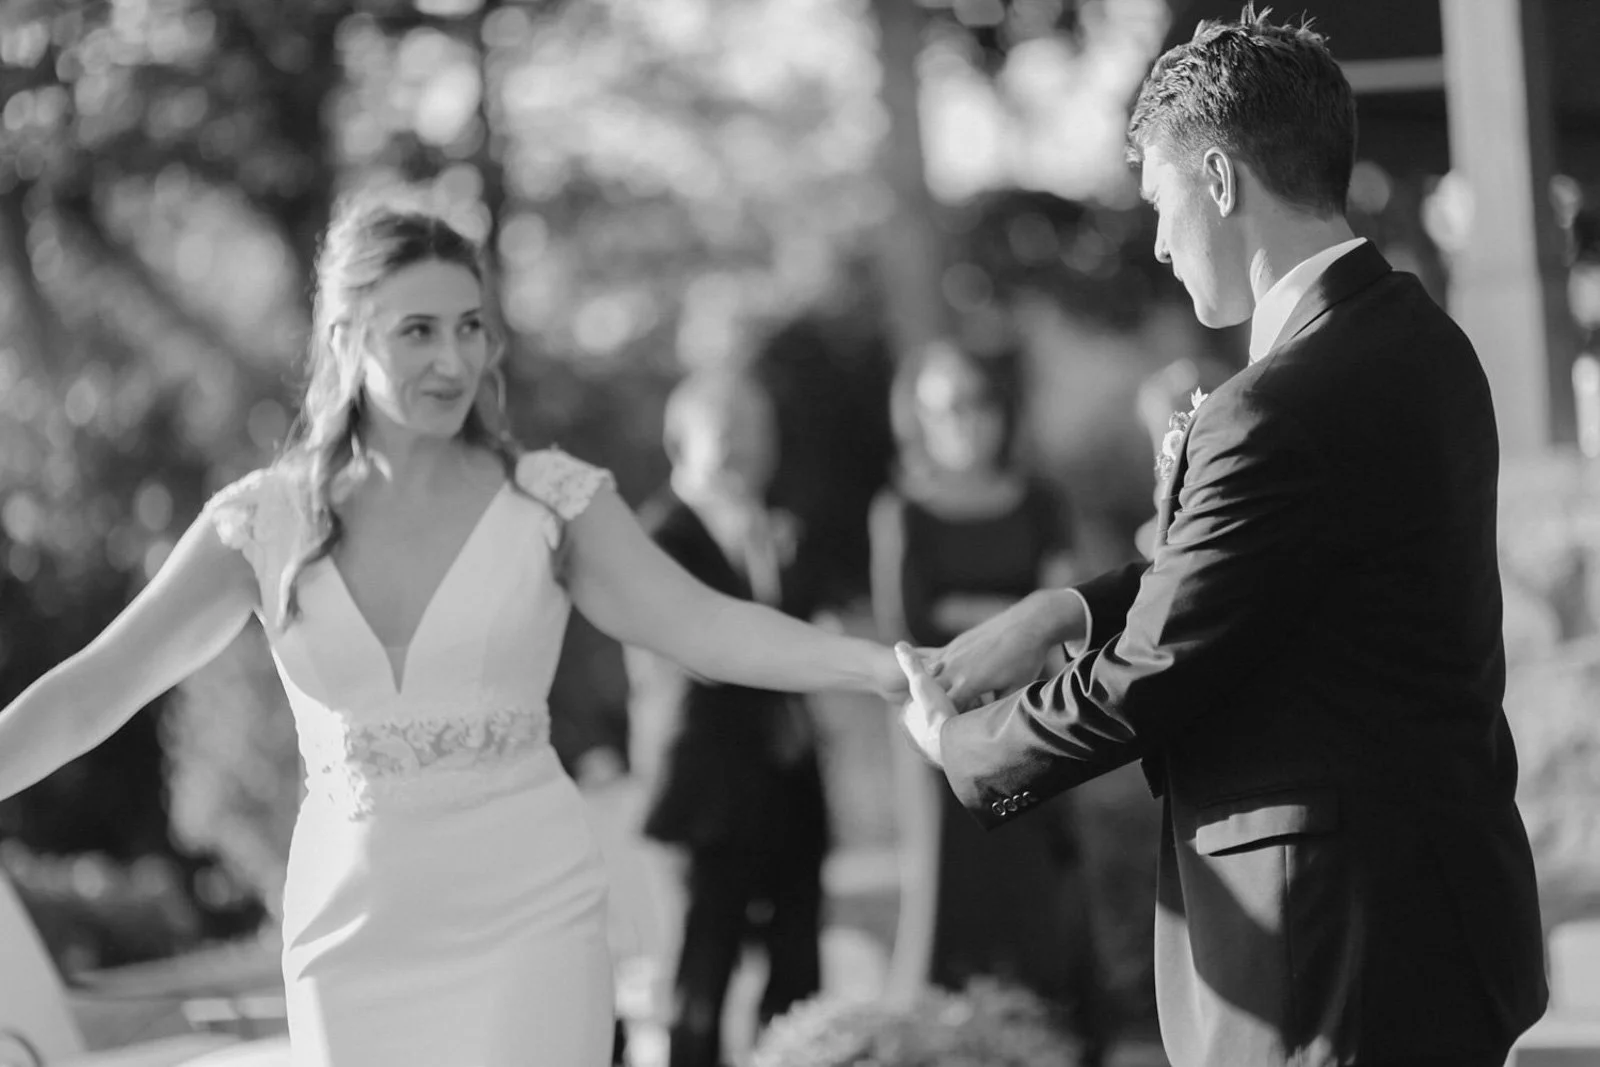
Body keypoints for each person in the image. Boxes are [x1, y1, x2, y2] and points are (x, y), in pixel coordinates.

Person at [0, 195, 906, 1067]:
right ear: (346, 339)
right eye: (418, 330)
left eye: (470, 326)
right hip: (351, 938)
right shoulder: (261, 522)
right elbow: (95, 687)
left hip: (530, 922)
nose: (454, 359)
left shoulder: (550, 501)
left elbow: (703, 626)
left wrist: (883, 668)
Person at [894, 10, 1548, 1067]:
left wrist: (967, 746)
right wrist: (1060, 609)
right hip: (1437, 913)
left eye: (1158, 202)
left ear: (1218, 177)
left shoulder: (1275, 405)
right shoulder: (1421, 344)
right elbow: (1258, 569)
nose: (1154, 239)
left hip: (1323, 945)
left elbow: (1160, 664)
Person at [868, 344, 1110, 1065]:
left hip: (1038, 725)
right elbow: (908, 633)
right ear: (918, 419)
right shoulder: (903, 511)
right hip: (943, 742)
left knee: (1040, 897)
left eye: (978, 399)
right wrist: (1022, 616)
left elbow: (1070, 616)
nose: (966, 419)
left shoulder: (1042, 500)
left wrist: (988, 618)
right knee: (954, 897)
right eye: (947, 406)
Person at [624, 369, 830, 1067]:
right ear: (680, 440)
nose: (750, 448)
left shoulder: (780, 527)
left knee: (798, 974)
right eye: (730, 431)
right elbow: (704, 655)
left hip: (790, 787)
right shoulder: (655, 537)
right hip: (705, 796)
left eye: (760, 431)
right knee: (701, 984)